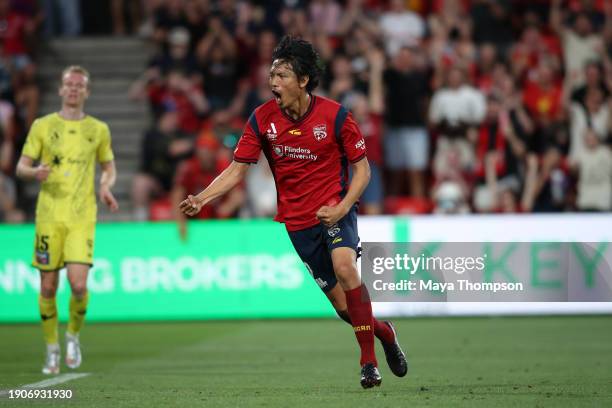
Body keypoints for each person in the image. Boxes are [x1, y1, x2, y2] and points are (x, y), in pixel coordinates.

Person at [179, 36, 407, 388]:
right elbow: (238, 168)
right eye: (272, 75)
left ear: (303, 80)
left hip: (336, 209)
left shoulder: (336, 116)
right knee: (344, 309)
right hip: (298, 224)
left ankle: (368, 363)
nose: (273, 82)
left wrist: (343, 206)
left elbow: (362, 170)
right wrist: (203, 198)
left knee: (346, 269)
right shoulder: (262, 119)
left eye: (282, 75)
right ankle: (385, 334)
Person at [15, 66, 119, 374]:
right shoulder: (42, 126)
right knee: (48, 287)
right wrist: (35, 173)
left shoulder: (98, 129)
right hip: (48, 216)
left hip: (81, 217)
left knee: (78, 283)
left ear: (87, 92)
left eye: (79, 85)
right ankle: (52, 348)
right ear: (61, 90)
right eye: (68, 84)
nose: (73, 89)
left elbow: (109, 167)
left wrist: (104, 186)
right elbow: (21, 167)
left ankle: (72, 336)